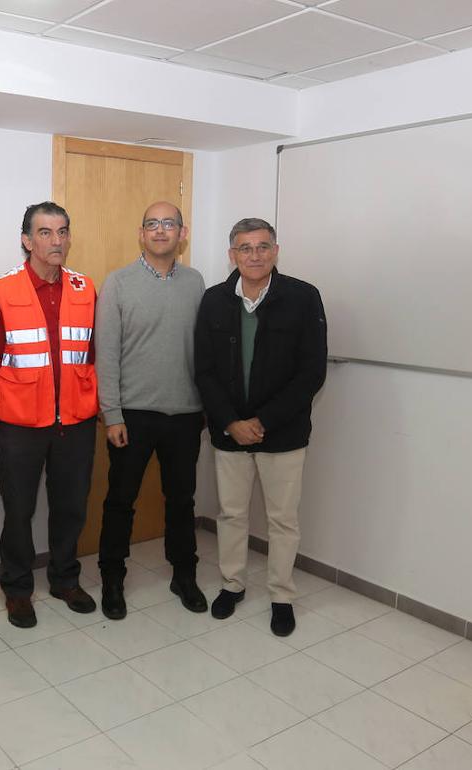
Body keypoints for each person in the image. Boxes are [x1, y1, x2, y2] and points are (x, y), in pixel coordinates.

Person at [194, 218, 327, 636]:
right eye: (245, 248)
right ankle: (232, 585)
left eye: (262, 247)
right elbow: (204, 370)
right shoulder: (214, 300)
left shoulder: (303, 298)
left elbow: (311, 373)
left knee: (282, 520)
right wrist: (232, 422)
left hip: (282, 434)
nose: (254, 255)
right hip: (228, 432)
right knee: (231, 514)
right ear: (231, 254)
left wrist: (262, 421)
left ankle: (281, 596)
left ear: (276, 251)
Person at [0, 201, 98, 628]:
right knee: (18, 509)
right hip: (20, 424)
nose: (57, 240)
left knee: (71, 506)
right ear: (27, 241)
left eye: (63, 231)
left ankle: (66, 579)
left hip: (76, 420)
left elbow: (92, 352)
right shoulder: (1, 288)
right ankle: (17, 588)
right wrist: (4, 413)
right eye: (46, 233)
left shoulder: (86, 288)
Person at [95, 201, 207, 620]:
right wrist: (113, 415)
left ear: (183, 232)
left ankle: (184, 574)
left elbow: (205, 354)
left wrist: (207, 409)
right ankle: (112, 578)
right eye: (152, 224)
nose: (161, 231)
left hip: (186, 413)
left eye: (169, 224)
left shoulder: (196, 283)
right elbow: (105, 354)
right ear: (141, 234)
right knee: (120, 501)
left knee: (181, 500)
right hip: (133, 416)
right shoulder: (119, 283)